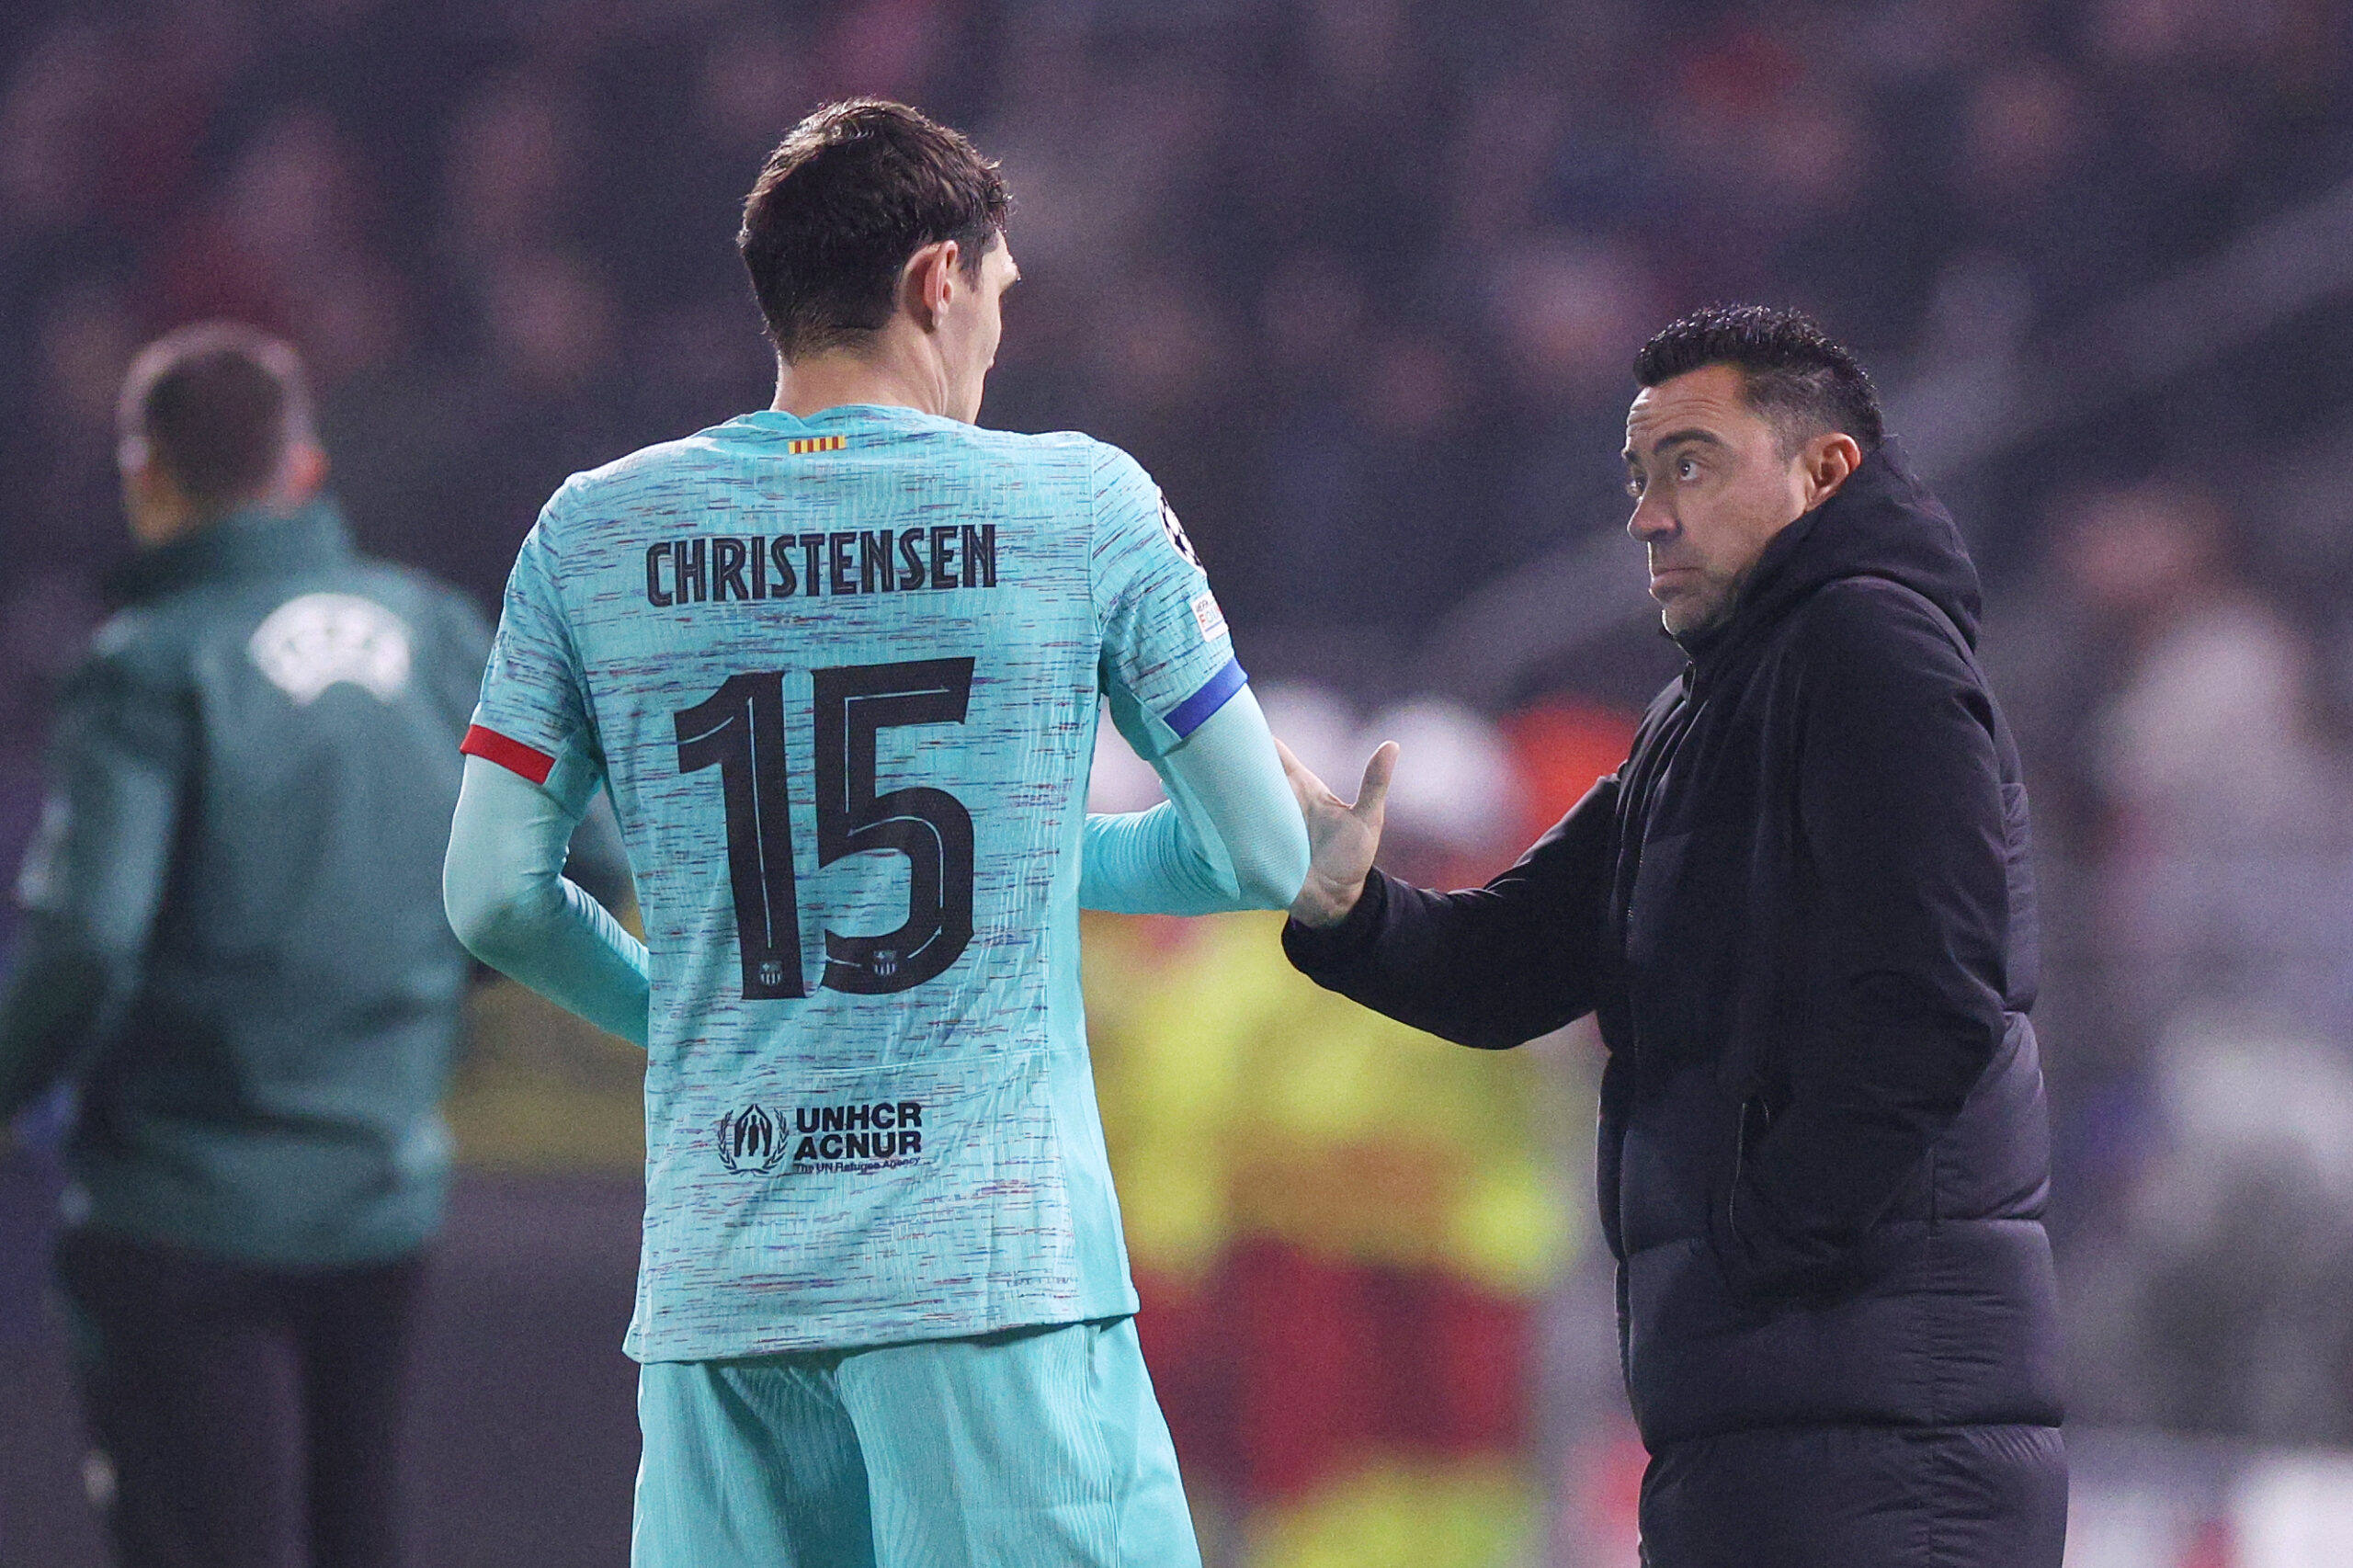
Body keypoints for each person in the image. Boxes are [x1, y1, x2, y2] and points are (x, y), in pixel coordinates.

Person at [442, 99, 1309, 1568]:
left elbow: (492, 897)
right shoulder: (1079, 504)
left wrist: (688, 1024)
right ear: (937, 280)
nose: (996, 340)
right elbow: (1258, 856)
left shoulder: (589, 533)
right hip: (989, 1282)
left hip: (725, 1284)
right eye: (1000, 297)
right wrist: (1121, 851)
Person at [1279, 305, 2064, 1566]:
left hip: (1872, 1431)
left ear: (1823, 473)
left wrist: (1759, 1251)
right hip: (1775, 1420)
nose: (1648, 513)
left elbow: (1934, 1003)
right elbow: (1511, 964)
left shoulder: (1872, 644)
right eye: (1640, 477)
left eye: (1689, 465)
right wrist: (1348, 906)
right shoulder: (1703, 714)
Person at [0, 323, 501, 1568]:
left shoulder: (145, 667)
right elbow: (568, 866)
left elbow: (90, 939)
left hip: (180, 1203)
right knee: (358, 1531)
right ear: (305, 469)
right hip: (380, 1187)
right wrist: (397, 995)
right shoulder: (437, 634)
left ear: (145, 476)